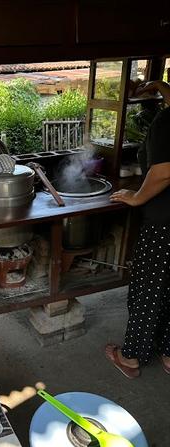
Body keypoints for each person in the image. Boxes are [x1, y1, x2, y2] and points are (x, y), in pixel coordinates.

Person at [105, 80, 170, 379]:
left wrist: (137, 196)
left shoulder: (167, 120)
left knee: (148, 289)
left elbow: (164, 170)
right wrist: (160, 86)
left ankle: (130, 357)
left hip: (163, 223)